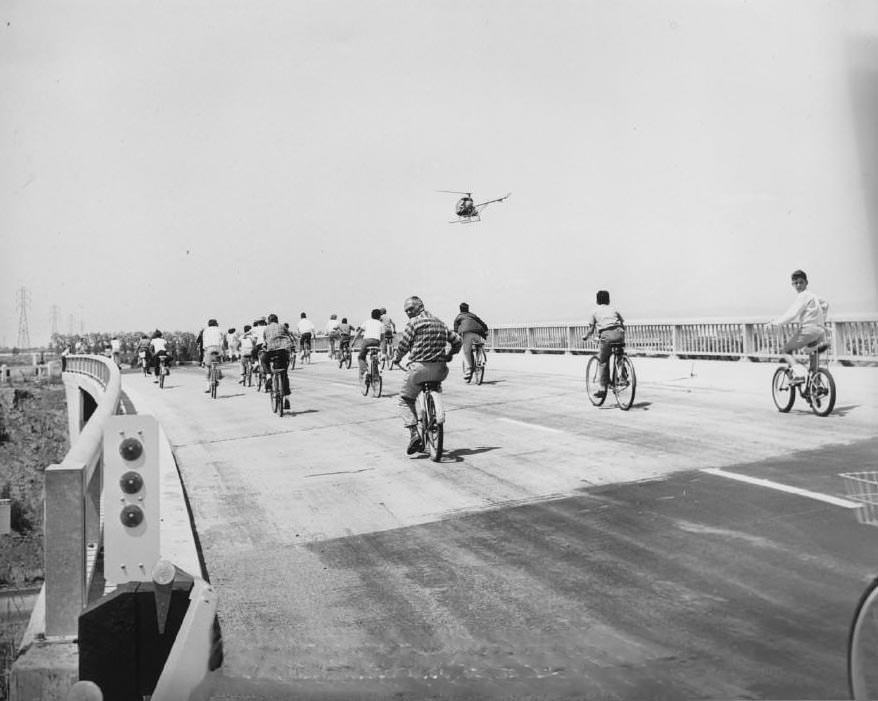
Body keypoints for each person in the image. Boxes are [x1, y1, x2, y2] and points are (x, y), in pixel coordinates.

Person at [392, 296, 462, 455]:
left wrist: (396, 359)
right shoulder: (440, 322)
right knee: (434, 384)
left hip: (419, 368)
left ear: (420, 306)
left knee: (405, 399)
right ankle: (434, 406)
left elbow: (403, 345)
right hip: (440, 369)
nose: (408, 313)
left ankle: (414, 434)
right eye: (406, 310)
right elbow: (458, 341)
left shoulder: (414, 323)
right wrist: (450, 354)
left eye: (411, 309)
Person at [769, 269, 829, 384]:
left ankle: (799, 374)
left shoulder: (803, 296)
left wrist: (776, 323)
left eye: (801, 282)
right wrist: (822, 320)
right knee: (813, 355)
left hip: (808, 330)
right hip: (820, 330)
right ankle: (815, 386)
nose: (798, 285)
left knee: (786, 350)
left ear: (806, 283)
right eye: (795, 283)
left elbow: (792, 313)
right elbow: (826, 305)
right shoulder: (813, 296)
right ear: (793, 284)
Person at [582, 290, 625, 399]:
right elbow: (621, 322)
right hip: (619, 334)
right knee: (620, 356)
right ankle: (623, 377)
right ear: (608, 300)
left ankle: (602, 388)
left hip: (606, 337)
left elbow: (591, 329)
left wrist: (585, 336)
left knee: (603, 361)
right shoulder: (614, 309)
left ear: (597, 300)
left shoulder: (594, 312)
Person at [263, 313, 295, 409]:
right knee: (284, 374)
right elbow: (289, 335)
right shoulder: (282, 326)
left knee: (263, 360)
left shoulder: (266, 329)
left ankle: (268, 375)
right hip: (283, 351)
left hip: (271, 352)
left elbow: (265, 341)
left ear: (268, 321)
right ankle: (287, 399)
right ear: (277, 320)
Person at [453, 302, 489, 382]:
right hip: (477, 333)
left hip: (467, 334)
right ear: (468, 309)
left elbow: (455, 330)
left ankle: (469, 370)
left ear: (460, 309)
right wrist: (486, 330)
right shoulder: (473, 315)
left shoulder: (458, 317)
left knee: (466, 351)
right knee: (479, 345)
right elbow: (482, 323)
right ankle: (479, 361)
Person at [355, 309, 384, 382]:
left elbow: (359, 332)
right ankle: (375, 371)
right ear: (379, 316)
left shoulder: (367, 322)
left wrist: (353, 341)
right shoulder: (381, 324)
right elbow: (383, 338)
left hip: (367, 341)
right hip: (376, 342)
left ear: (371, 315)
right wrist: (383, 349)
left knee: (361, 356)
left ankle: (364, 372)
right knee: (374, 355)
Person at [199, 319, 225, 393]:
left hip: (209, 349)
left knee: (207, 366)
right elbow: (222, 341)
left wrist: (205, 349)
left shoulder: (205, 331)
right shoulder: (219, 330)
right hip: (218, 348)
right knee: (218, 362)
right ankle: (218, 374)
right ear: (216, 324)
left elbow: (204, 343)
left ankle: (207, 386)